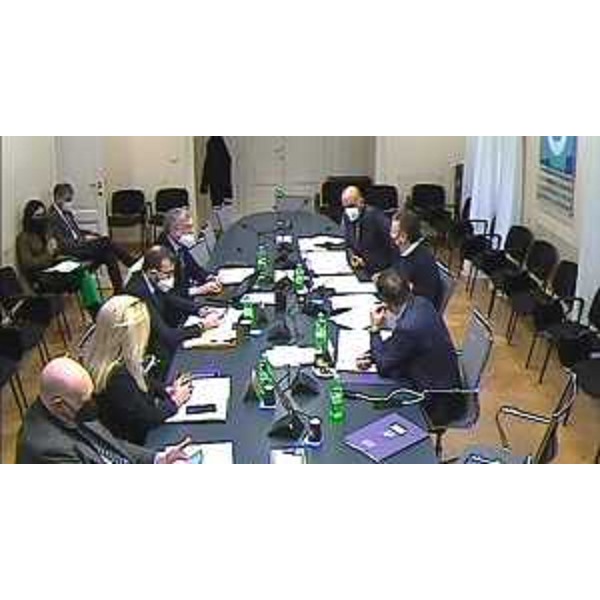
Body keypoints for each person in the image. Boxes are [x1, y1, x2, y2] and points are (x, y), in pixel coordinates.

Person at [16, 356, 192, 464]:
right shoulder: (47, 450)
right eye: (84, 401)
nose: (92, 404)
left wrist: (158, 458)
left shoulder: (71, 409)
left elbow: (112, 445)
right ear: (58, 404)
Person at [357, 269, 463, 426]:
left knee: (369, 407)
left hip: (436, 401)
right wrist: (372, 355)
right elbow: (399, 345)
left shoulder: (408, 327)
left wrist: (374, 329)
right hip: (444, 384)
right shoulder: (422, 303)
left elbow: (383, 366)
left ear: (384, 301)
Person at [85, 295, 193, 444]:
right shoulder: (117, 377)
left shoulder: (104, 359)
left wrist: (166, 390)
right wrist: (174, 402)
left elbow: (142, 381)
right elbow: (147, 418)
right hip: (137, 442)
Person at [125, 245, 222, 358]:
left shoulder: (149, 278)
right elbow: (167, 335)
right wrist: (202, 326)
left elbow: (169, 298)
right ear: (152, 272)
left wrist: (199, 309)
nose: (171, 278)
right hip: (151, 348)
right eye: (168, 273)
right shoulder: (138, 292)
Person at [48, 183, 137, 293]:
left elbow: (75, 231)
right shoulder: (52, 217)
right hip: (71, 250)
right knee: (106, 241)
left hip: (80, 245)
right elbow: (62, 242)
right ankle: (132, 263)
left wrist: (90, 234)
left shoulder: (67, 214)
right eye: (68, 199)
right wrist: (82, 240)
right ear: (58, 198)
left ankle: (119, 291)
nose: (70, 203)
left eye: (71, 199)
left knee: (108, 254)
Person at [17, 199, 80, 295]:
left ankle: (91, 303)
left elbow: (55, 251)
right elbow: (28, 264)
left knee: (79, 271)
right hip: (39, 275)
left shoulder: (45, 232)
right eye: (38, 215)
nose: (41, 219)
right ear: (29, 217)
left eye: (43, 214)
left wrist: (56, 247)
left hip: (52, 267)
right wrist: (48, 254)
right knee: (71, 279)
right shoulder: (24, 237)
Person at [156, 207, 222, 297]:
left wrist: (210, 278)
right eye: (187, 227)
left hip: (187, 292)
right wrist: (199, 290)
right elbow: (168, 293)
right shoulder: (161, 254)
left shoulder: (180, 245)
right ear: (174, 229)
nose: (191, 231)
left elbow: (195, 269)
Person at [390, 210, 443, 311]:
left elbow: (423, 303)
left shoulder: (422, 262)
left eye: (393, 232)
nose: (390, 235)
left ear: (403, 237)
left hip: (417, 313)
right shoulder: (401, 252)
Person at [341, 186, 395, 277]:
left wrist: (367, 261)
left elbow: (393, 245)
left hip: (381, 270)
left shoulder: (376, 217)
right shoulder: (347, 217)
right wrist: (352, 257)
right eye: (345, 207)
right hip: (362, 269)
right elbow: (348, 244)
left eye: (351, 206)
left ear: (361, 202)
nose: (348, 210)